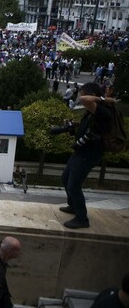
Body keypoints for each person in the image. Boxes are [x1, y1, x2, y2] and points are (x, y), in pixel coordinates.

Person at [57, 83, 114, 229]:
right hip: (80, 152)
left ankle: (82, 219)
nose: (81, 97)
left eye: (83, 94)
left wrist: (102, 99)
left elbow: (85, 100)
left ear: (92, 95)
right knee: (65, 178)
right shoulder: (92, 112)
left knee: (74, 185)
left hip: (88, 155)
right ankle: (73, 206)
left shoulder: (104, 111)